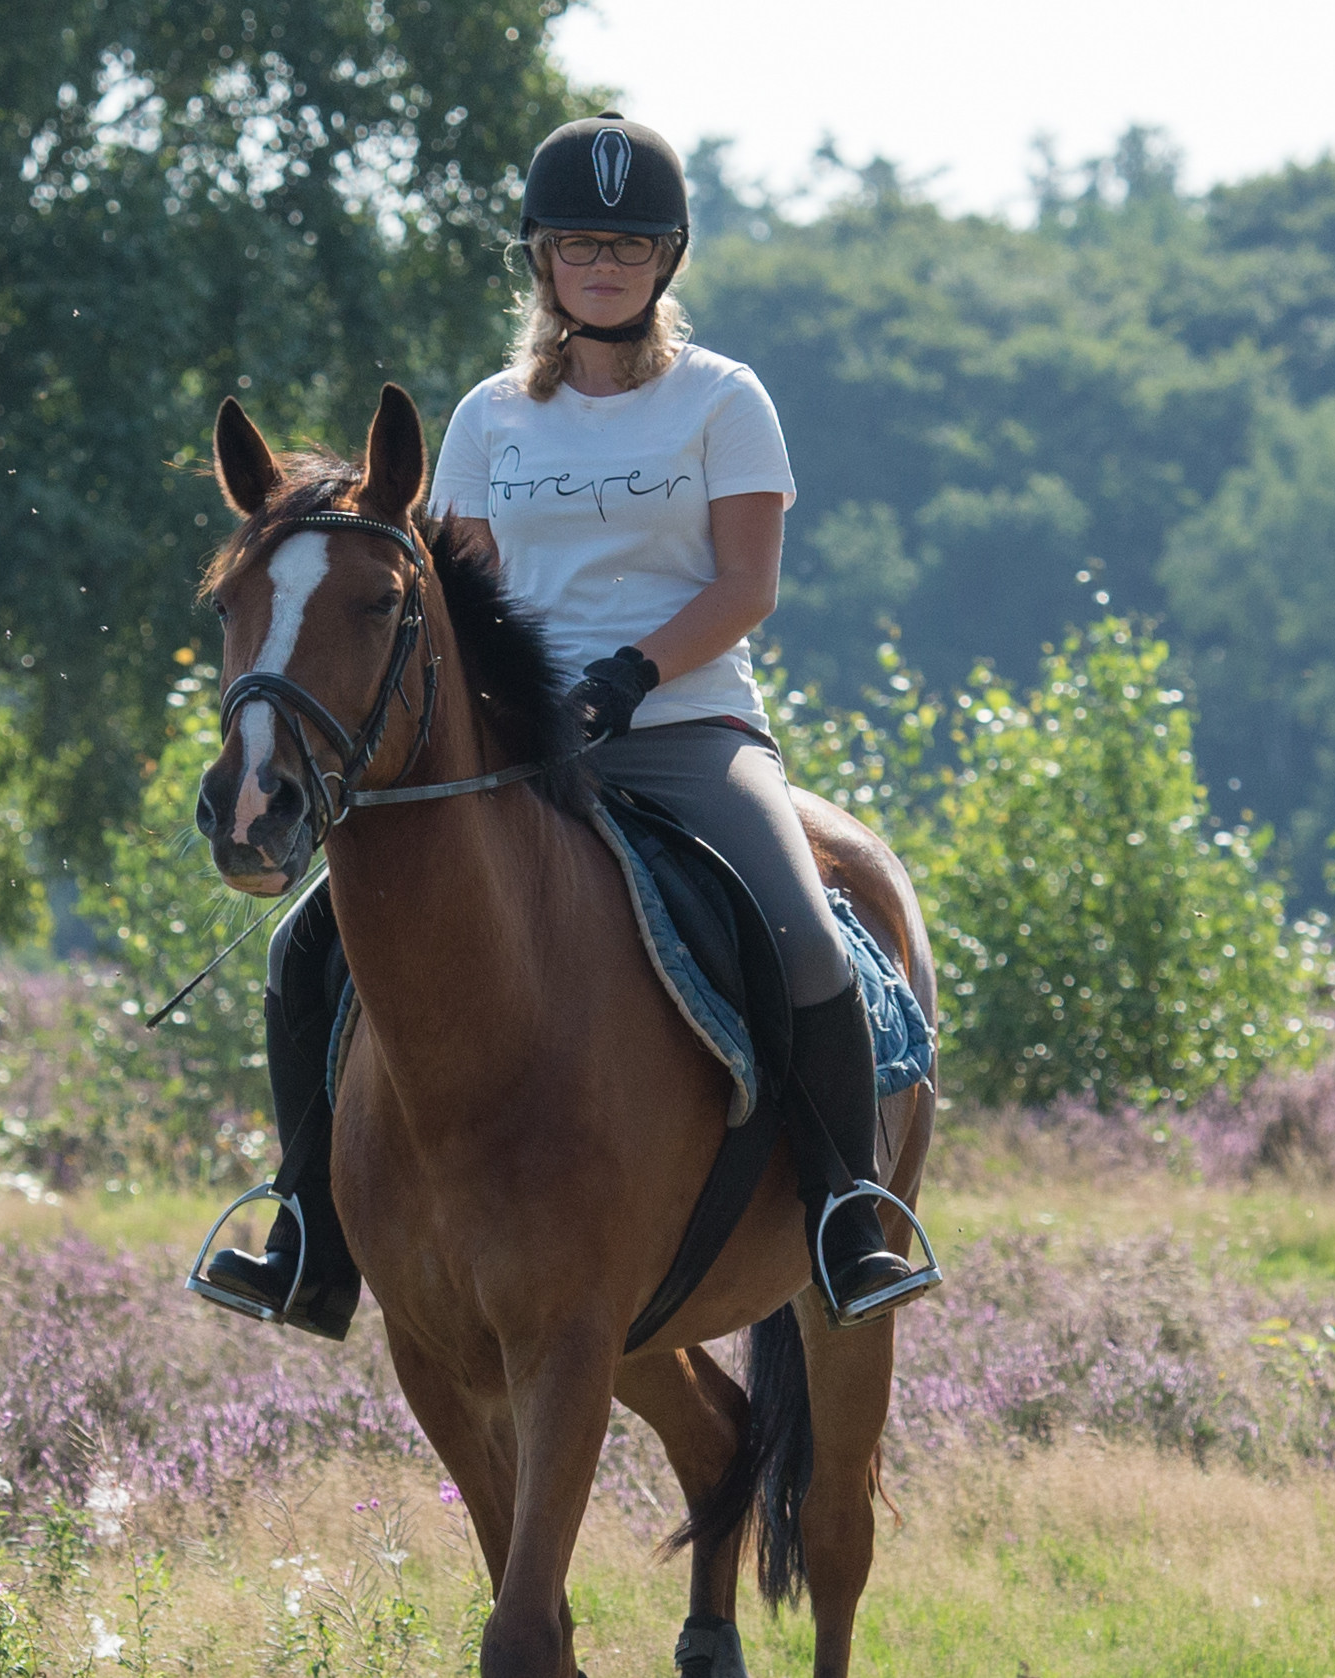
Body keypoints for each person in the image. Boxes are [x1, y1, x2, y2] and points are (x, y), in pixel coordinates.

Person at [194, 112, 937, 1339]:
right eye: (582, 243)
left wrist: (631, 675)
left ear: (667, 260)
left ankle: (848, 1214)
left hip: (691, 730)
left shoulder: (724, 400)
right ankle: (309, 1234)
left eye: (632, 245)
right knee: (306, 950)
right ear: (541, 259)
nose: (606, 263)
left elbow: (747, 584)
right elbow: (467, 602)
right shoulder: (488, 417)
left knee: (806, 935)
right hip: (525, 752)